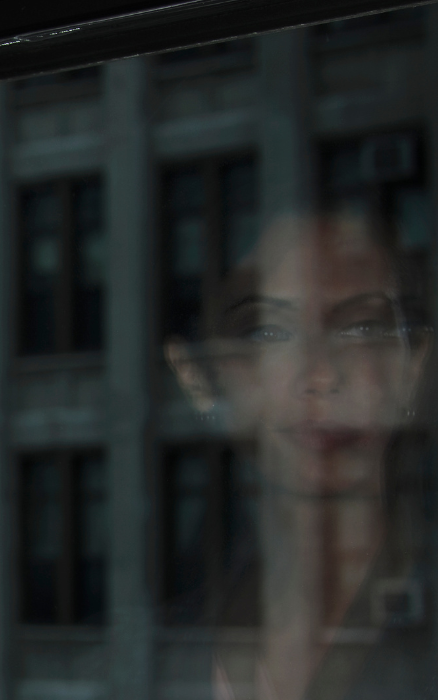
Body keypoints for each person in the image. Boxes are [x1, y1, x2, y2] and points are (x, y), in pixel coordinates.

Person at [166, 214, 431, 700]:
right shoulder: (161, 645)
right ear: (198, 378)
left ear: (413, 363)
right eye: (266, 332)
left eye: (362, 327)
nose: (320, 376)